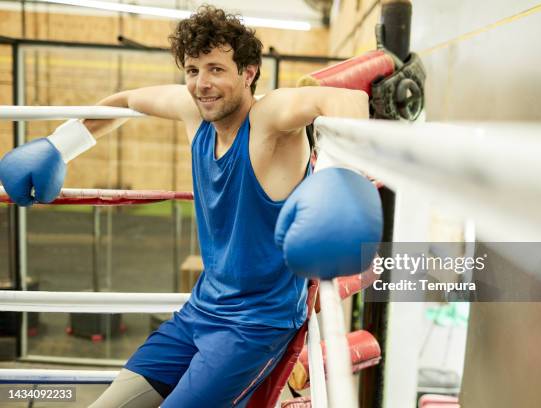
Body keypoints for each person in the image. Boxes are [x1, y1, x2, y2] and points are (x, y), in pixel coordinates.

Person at [0, 5, 378, 407]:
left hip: (255, 326)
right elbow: (126, 100)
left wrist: (341, 178)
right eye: (193, 70)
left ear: (247, 73)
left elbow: (344, 98)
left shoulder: (269, 119)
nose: (202, 83)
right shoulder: (192, 111)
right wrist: (61, 146)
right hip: (198, 313)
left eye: (216, 69)